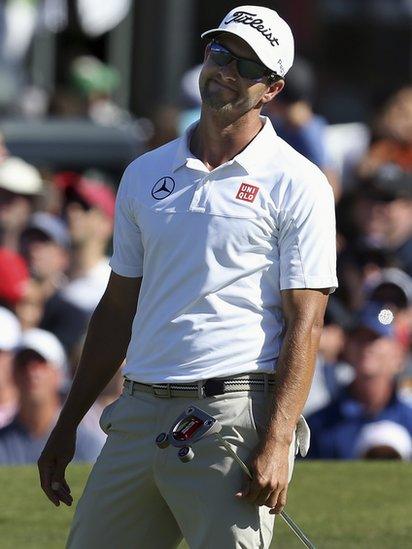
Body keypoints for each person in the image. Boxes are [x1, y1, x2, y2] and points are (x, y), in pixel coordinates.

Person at [39, 6, 337, 548]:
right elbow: (116, 308)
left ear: (272, 88)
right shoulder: (144, 173)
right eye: (220, 53)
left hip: (231, 419)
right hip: (137, 413)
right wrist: (66, 424)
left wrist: (278, 440)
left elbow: (307, 321)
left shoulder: (300, 182)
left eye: (247, 66)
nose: (226, 71)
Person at [307, 302, 412, 459]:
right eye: (359, 338)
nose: (366, 347)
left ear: (398, 353)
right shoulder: (320, 424)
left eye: (375, 339)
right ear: (347, 347)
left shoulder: (408, 418)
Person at [0, 328, 103, 464]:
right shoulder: (3, 443)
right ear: (13, 374)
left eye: (41, 364)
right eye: (23, 364)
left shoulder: (87, 445)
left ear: (58, 374)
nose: (31, 372)